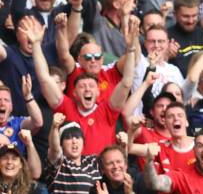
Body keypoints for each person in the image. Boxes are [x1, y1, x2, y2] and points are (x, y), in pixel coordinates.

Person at [29, 15, 138, 155]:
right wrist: (36, 44)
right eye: (82, 86)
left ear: (98, 92)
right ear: (73, 92)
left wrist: (130, 49)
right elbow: (44, 78)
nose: (87, 89)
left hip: (101, 172)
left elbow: (127, 83)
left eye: (92, 86)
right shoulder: (66, 107)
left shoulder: (106, 111)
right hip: (71, 172)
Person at [43, 113, 100, 194]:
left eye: (77, 137)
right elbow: (54, 149)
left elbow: (116, 164)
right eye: (68, 138)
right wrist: (54, 127)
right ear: (62, 143)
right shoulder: (60, 163)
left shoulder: (92, 161)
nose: (74, 141)